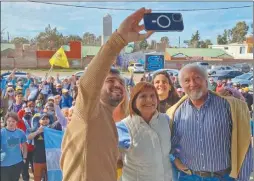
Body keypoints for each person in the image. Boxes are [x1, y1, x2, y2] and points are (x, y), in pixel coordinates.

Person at [60, 7, 154, 181]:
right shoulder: (89, 111)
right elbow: (88, 85)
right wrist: (119, 39)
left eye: (121, 83)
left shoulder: (109, 120)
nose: (118, 85)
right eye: (110, 81)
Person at [167, 64, 253, 181]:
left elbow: (244, 146)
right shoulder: (174, 113)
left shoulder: (229, 107)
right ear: (181, 86)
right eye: (187, 80)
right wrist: (175, 159)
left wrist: (242, 178)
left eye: (197, 78)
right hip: (189, 177)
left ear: (206, 81)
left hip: (223, 177)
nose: (192, 83)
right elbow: (169, 145)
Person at [116, 82, 172, 181]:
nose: (149, 100)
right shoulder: (123, 127)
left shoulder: (166, 120)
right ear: (133, 101)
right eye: (143, 96)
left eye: (152, 96)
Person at [1, 112, 28, 181]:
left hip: (17, 163)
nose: (11, 123)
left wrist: (24, 158)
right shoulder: (1, 133)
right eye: (9, 121)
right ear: (6, 121)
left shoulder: (21, 132)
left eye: (13, 121)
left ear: (16, 122)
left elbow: (24, 146)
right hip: (3, 164)